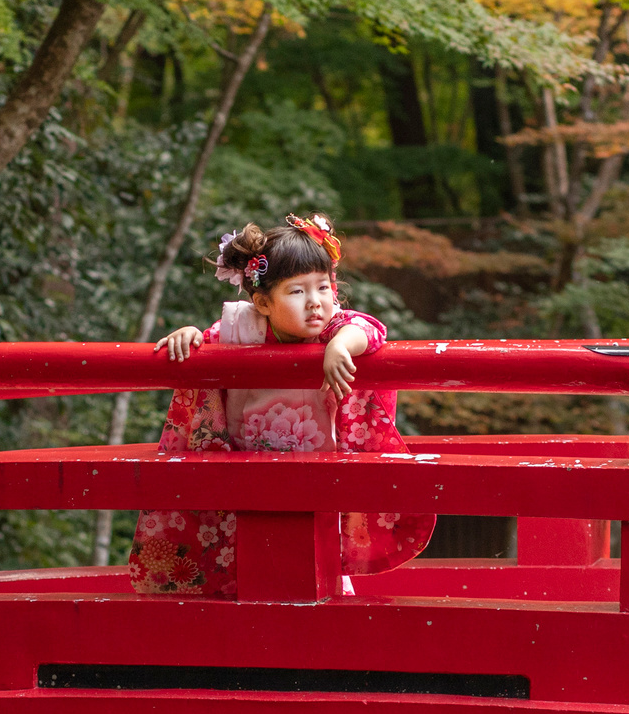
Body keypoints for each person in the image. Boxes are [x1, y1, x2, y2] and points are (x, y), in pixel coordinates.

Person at [127, 214, 433, 595]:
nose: (316, 303)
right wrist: (191, 337)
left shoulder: (335, 329)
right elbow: (207, 340)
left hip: (322, 480)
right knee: (240, 569)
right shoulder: (239, 328)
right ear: (262, 301)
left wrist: (339, 346)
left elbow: (368, 330)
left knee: (319, 575)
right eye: (297, 291)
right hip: (246, 477)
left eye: (323, 287)